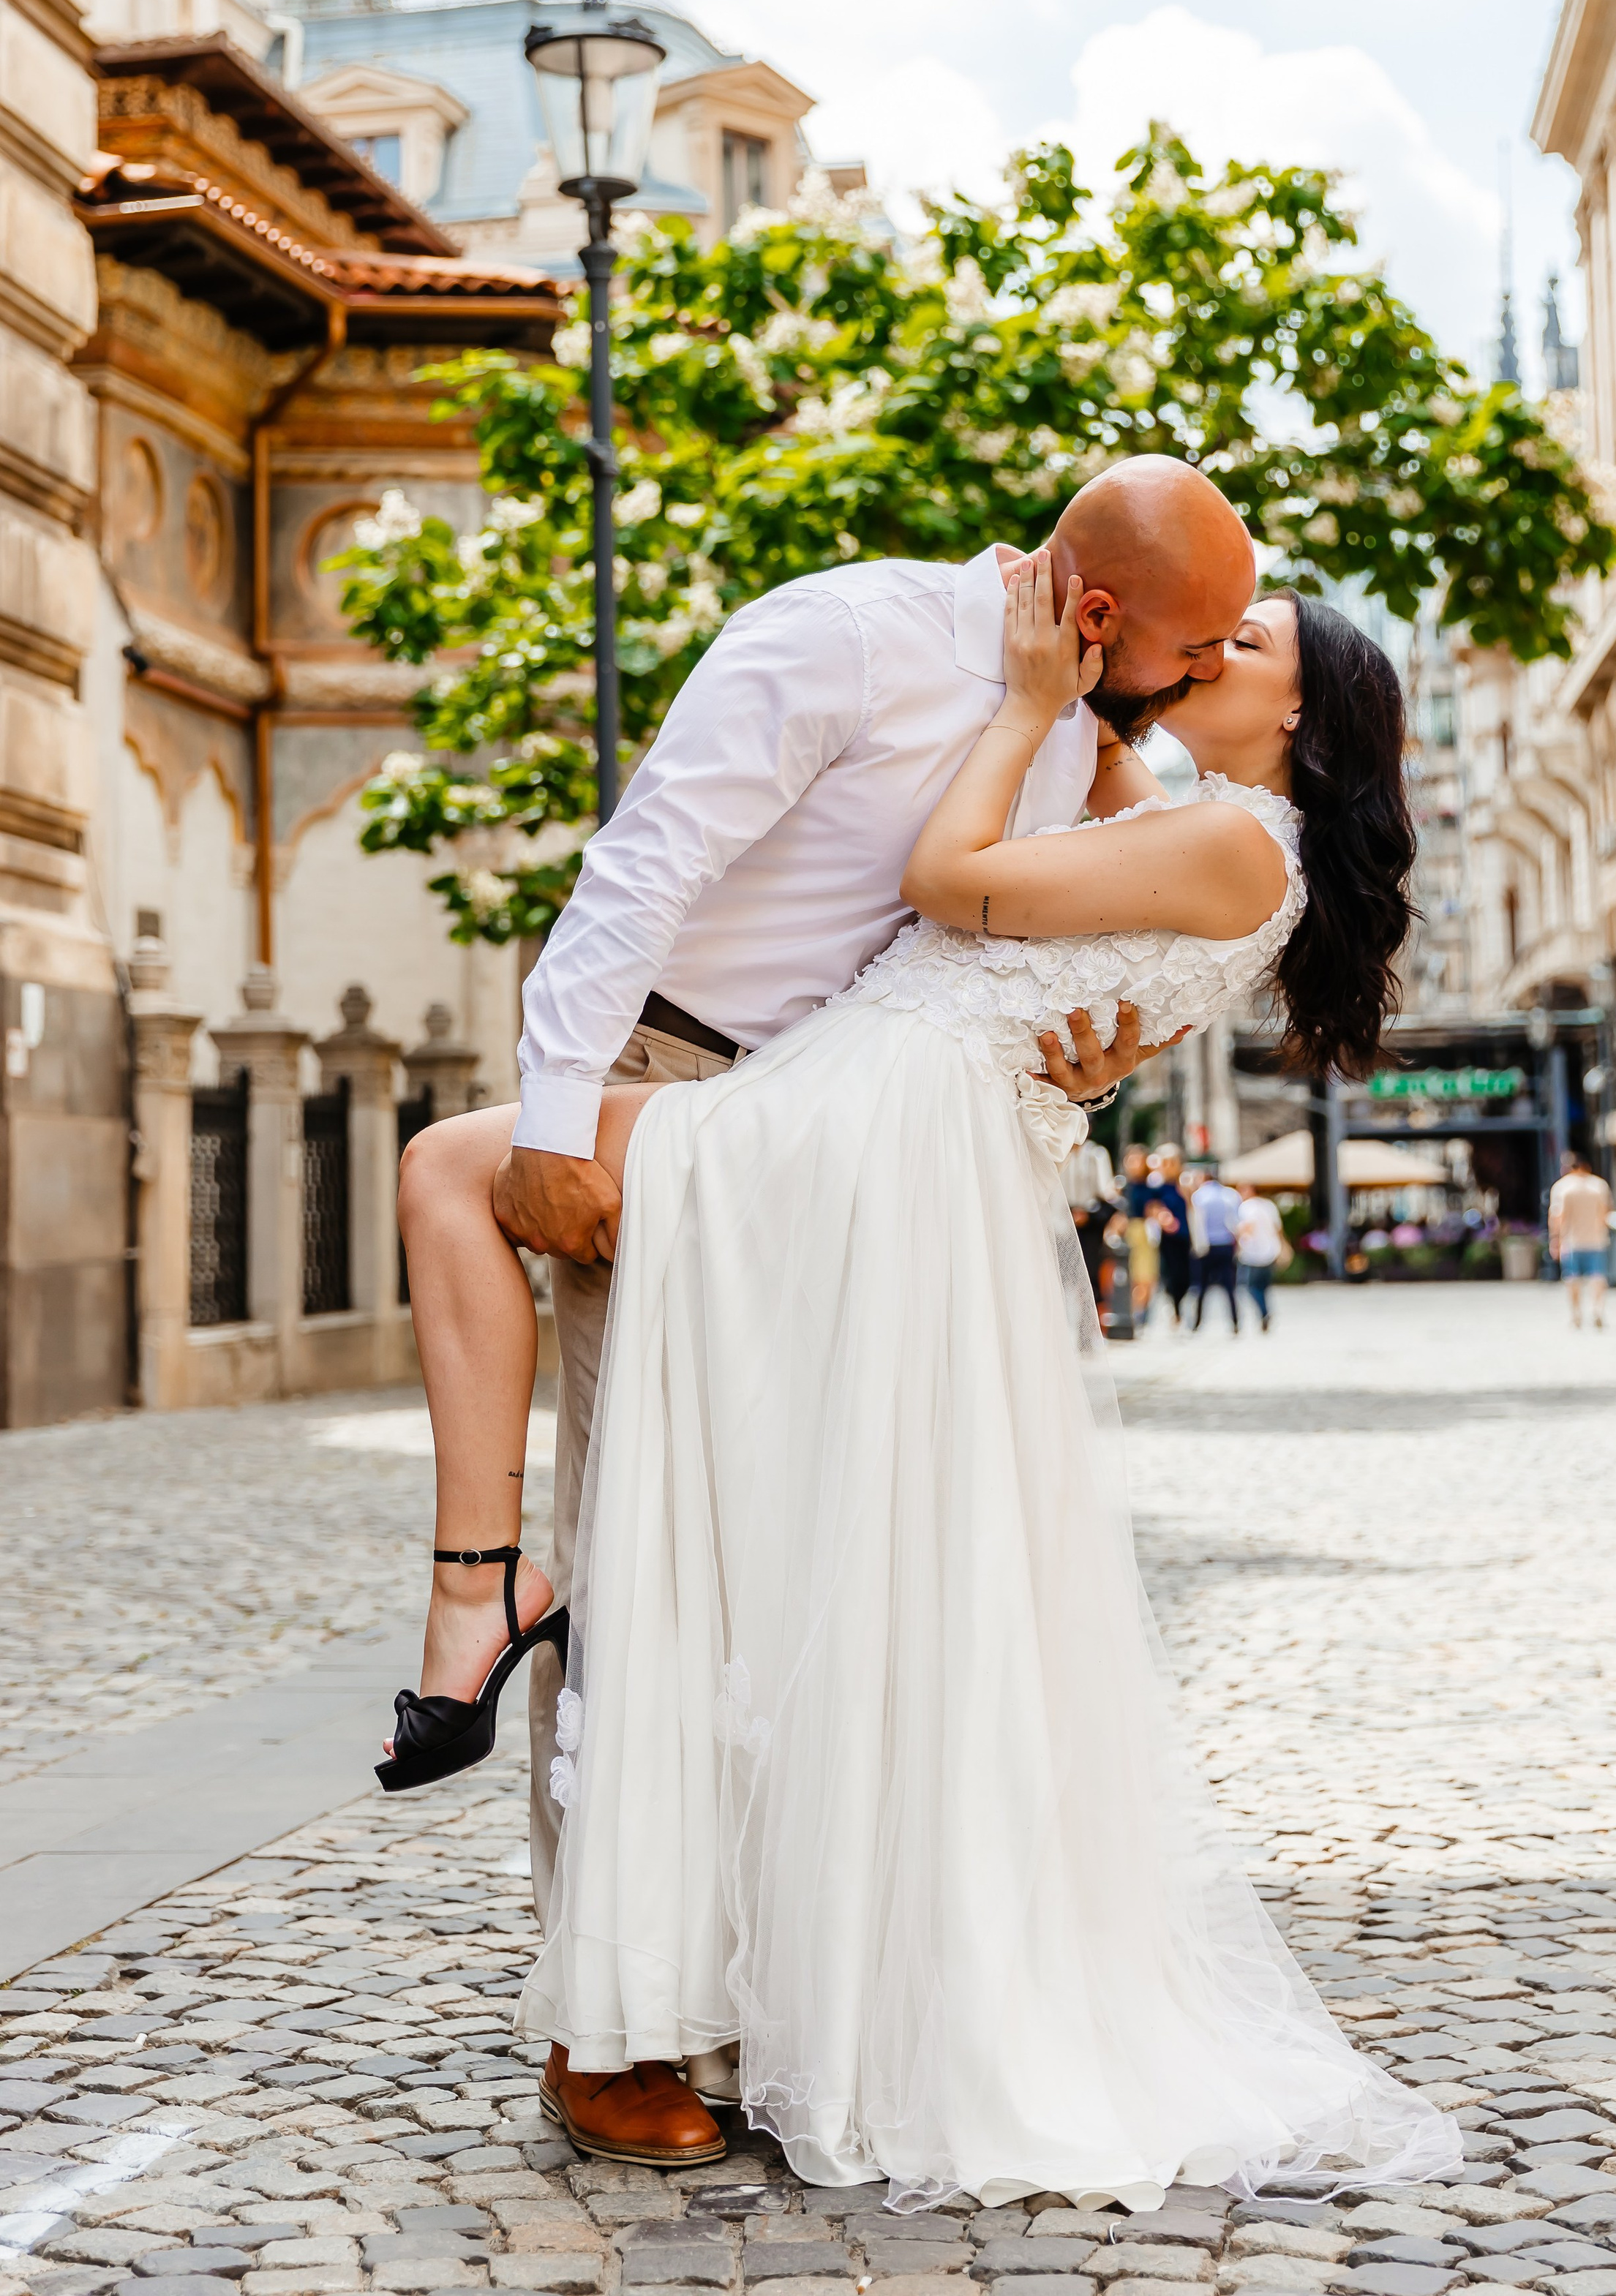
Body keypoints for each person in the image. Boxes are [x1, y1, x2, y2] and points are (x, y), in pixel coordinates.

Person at [506, 559, 1456, 2207]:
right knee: (790, 1546)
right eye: (1200, 627)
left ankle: (480, 1619)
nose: (1201, 657)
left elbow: (955, 879)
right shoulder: (1209, 820)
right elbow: (1090, 872)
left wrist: (1029, 704)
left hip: (873, 1133)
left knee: (630, 1422)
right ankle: (663, 1963)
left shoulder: (1233, 833)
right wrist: (1086, 736)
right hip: (892, 1135)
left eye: (1242, 647)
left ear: (1297, 712)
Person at [387, 457, 1247, 2158]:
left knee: (797, 1582)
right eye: (1193, 642)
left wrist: (1090, 1048)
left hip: (841, 1161)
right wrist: (557, 1113)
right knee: (643, 1546)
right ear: (1093, 614)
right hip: (667, 1086)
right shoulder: (842, 633)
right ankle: (608, 2026)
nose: (1207, 675)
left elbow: (1000, 954)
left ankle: (773, 2002)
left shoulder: (1078, 742)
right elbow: (644, 863)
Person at [1547, 1151, 1612, 1328]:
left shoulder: (1562, 1188)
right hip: (1596, 1240)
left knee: (1572, 1278)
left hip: (1571, 1241)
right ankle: (1597, 1309)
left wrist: (1555, 1240)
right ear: (1586, 1166)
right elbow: (1605, 1214)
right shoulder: (1599, 1185)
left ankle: (1576, 1313)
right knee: (1597, 1277)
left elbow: (1557, 1217)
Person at [1064, 1125, 1123, 1307]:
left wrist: (1087, 1215)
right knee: (1064, 1274)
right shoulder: (1058, 1151)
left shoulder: (1096, 1154)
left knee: (1090, 1272)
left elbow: (1106, 1192)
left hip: (1091, 1220)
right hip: (1062, 1220)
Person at [1187, 1164, 1244, 1331]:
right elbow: (1236, 1223)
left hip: (1206, 1246)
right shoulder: (1230, 1195)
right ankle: (1235, 1322)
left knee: (1201, 1287)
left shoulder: (1199, 1196)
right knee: (1230, 1287)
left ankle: (1196, 1323)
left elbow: (1196, 1224)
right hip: (1226, 1245)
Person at [1147, 1143, 1194, 1327]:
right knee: (1172, 1274)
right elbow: (1151, 1207)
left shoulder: (1185, 1182)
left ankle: (1179, 1306)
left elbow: (1193, 1207)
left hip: (1185, 1235)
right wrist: (1162, 1217)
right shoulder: (1157, 1185)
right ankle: (1174, 1309)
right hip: (1167, 1238)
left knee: (1186, 1277)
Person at [1235, 1179, 1288, 1332]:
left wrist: (1239, 1241)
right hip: (1271, 1251)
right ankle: (1265, 1313)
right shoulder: (1268, 1205)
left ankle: (1264, 1313)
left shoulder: (1247, 1207)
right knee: (1263, 1286)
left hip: (1253, 1253)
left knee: (1251, 1287)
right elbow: (1278, 1228)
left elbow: (1248, 1228)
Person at [1121, 1139, 1161, 1328]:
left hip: (1144, 1233)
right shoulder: (1123, 1186)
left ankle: (1139, 1314)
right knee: (1132, 1278)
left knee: (1146, 1277)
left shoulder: (1151, 1187)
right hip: (1130, 1232)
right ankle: (1132, 1314)